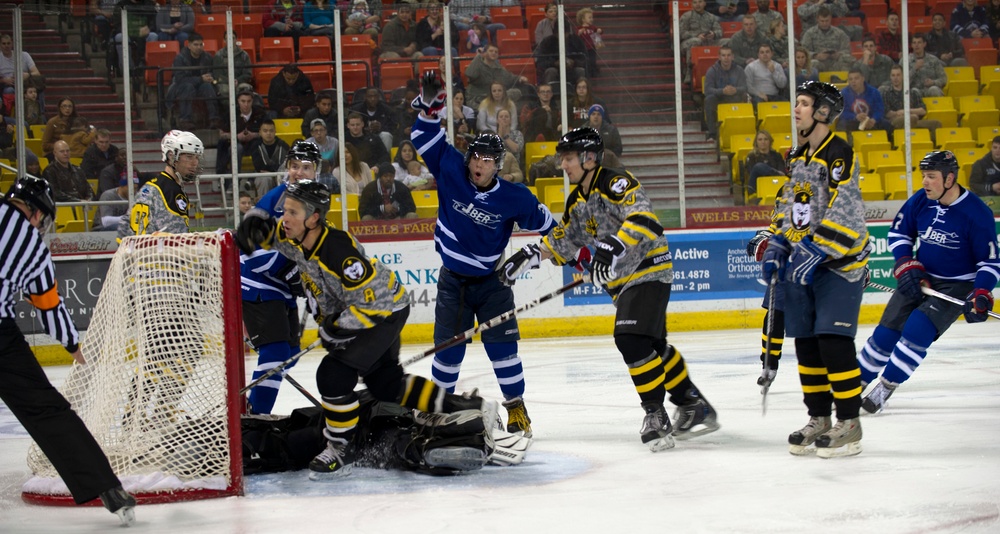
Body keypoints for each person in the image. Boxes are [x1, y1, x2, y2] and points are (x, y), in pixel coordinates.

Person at [235, 179, 501, 479]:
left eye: (293, 213)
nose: (285, 218)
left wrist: (336, 328)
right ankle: (468, 406)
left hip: (383, 311)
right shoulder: (300, 238)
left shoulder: (337, 250)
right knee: (385, 384)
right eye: (284, 211)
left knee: (333, 375)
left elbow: (372, 306)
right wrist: (257, 227)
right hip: (376, 309)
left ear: (313, 218)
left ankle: (340, 448)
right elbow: (278, 239)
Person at [502, 126, 720, 451]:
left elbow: (645, 218)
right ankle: (692, 404)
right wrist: (532, 254)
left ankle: (656, 414)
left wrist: (615, 245)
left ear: (589, 157)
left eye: (569, 158)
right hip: (623, 284)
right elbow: (564, 240)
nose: (563, 164)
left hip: (648, 270)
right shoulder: (578, 200)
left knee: (630, 339)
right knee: (653, 348)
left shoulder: (615, 182)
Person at [410, 72, 557, 437]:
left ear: (499, 164)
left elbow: (554, 228)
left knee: (504, 350)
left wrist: (536, 255)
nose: (479, 164)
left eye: (488, 160)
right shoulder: (451, 169)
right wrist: (430, 108)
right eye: (476, 156)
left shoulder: (515, 197)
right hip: (452, 283)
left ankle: (517, 408)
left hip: (493, 284)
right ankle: (439, 410)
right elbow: (423, 138)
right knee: (447, 353)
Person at [0, 176, 137, 526]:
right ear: (36, 214)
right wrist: (72, 344)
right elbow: (47, 303)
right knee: (47, 411)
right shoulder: (29, 243)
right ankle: (107, 488)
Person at [762, 81, 869, 458]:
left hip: (839, 265)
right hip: (804, 264)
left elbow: (846, 210)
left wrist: (814, 249)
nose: (796, 110)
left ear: (822, 112)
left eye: (803, 104)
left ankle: (850, 422)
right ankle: (820, 417)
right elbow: (792, 206)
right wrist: (779, 241)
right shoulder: (798, 157)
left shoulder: (840, 154)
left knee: (832, 342)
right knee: (805, 343)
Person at [856, 150, 999, 414]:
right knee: (886, 332)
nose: (924, 182)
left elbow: (989, 263)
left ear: (949, 179)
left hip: (956, 286)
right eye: (923, 176)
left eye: (931, 176)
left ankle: (885, 387)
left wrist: (980, 292)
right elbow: (899, 231)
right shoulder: (922, 200)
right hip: (920, 277)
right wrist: (905, 263)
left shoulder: (977, 214)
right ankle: (854, 385)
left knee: (916, 331)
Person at [240, 140, 321, 415]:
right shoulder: (274, 199)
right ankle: (255, 418)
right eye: (294, 166)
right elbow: (246, 246)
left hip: (280, 287)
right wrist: (287, 272)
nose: (299, 172)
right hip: (255, 283)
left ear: (316, 170)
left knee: (288, 354)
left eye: (306, 167)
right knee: (275, 353)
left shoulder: (314, 202)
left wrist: (312, 283)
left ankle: (254, 403)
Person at [118, 130, 203, 237]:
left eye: (197, 157)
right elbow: (177, 240)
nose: (195, 163)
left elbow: (123, 229)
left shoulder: (150, 187)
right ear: (171, 157)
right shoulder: (171, 191)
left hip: (138, 251)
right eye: (189, 157)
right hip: (157, 252)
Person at [165, 33, 222, 130]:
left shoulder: (207, 57)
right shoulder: (180, 58)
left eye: (201, 45)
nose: (199, 47)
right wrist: (200, 79)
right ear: (189, 45)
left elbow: (212, 73)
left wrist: (210, 78)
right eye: (196, 45)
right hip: (180, 87)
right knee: (188, 87)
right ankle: (185, 120)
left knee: (207, 86)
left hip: (200, 86)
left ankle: (214, 119)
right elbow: (180, 79)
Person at [880, 64, 942, 138]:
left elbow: (923, 110)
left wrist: (906, 111)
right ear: (890, 77)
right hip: (895, 122)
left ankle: (932, 146)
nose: (895, 78)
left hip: (914, 121)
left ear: (903, 76)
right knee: (911, 118)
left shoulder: (912, 92)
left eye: (898, 75)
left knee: (936, 123)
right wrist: (898, 114)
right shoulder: (886, 93)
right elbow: (887, 113)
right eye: (893, 75)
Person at [216, 89, 267, 176]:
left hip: (253, 144)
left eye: (249, 101)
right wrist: (236, 136)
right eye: (243, 101)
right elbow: (221, 135)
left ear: (252, 101)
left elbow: (268, 131)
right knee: (236, 148)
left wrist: (254, 135)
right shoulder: (230, 113)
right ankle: (233, 180)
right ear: (238, 101)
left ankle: (255, 177)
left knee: (259, 145)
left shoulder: (260, 113)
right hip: (235, 143)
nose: (246, 104)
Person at [702, 45, 747, 143]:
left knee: (744, 97)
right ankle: (712, 134)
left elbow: (744, 87)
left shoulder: (739, 70)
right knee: (709, 99)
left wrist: (735, 90)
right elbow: (707, 90)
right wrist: (722, 91)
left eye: (728, 55)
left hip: (734, 97)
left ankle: (742, 130)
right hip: (718, 98)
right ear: (719, 57)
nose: (726, 58)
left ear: (733, 57)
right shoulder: (712, 71)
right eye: (723, 55)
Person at [465, 44, 529, 108]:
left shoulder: (499, 68)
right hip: (478, 99)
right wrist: (478, 56)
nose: (494, 53)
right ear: (485, 52)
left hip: (494, 98)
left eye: (496, 52)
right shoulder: (478, 64)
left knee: (515, 92)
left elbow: (510, 78)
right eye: (491, 51)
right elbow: (470, 74)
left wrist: (519, 78)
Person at [838, 68, 891, 137]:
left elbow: (879, 110)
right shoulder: (844, 93)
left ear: (863, 79)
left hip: (871, 121)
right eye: (850, 79)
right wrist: (855, 117)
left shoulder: (874, 92)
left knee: (887, 125)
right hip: (853, 122)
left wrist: (874, 119)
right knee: (842, 124)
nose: (853, 81)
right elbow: (842, 112)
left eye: (856, 78)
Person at [679, 0, 722, 84]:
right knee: (696, 41)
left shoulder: (711, 17)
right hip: (689, 43)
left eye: (700, 2)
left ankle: (725, 71)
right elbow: (681, 33)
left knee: (727, 42)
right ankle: (689, 73)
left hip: (708, 41)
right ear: (692, 4)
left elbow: (719, 31)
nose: (697, 5)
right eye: (695, 2)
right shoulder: (686, 16)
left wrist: (713, 34)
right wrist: (697, 35)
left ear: (705, 3)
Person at [800, 8, 852, 72]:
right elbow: (803, 52)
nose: (824, 23)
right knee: (813, 63)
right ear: (817, 20)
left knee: (848, 59)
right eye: (822, 21)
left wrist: (838, 54)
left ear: (830, 19)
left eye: (827, 21)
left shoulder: (839, 33)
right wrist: (816, 55)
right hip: (819, 62)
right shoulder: (810, 33)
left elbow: (847, 50)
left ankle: (845, 80)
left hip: (835, 62)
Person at [249, 119, 290, 198]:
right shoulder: (255, 146)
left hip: (281, 176)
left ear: (275, 132)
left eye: (271, 131)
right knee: (265, 178)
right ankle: (264, 207)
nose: (268, 133)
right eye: (265, 131)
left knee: (285, 178)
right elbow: (259, 166)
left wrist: (271, 169)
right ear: (260, 132)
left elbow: (286, 165)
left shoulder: (284, 145)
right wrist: (275, 168)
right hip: (263, 177)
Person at [0, 34, 44, 105]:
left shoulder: (24, 55)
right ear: (0, 45)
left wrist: (28, 75)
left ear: (12, 44)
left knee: (38, 90)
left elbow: (37, 73)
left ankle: (41, 114)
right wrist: (4, 80)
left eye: (8, 43)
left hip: (25, 83)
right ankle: (10, 115)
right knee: (9, 90)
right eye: (4, 43)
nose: (6, 46)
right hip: (8, 84)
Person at [350, 87, 397, 154]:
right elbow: (349, 125)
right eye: (370, 96)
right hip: (362, 136)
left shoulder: (387, 110)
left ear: (379, 97)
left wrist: (381, 127)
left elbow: (393, 127)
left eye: (375, 96)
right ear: (365, 97)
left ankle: (385, 159)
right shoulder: (356, 110)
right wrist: (363, 129)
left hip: (380, 136)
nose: (373, 99)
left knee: (386, 135)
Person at [743, 129, 785, 198]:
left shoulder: (776, 155)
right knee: (758, 167)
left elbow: (782, 172)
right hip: (756, 187)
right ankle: (773, 173)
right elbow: (751, 173)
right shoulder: (751, 156)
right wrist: (775, 173)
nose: (763, 142)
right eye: (760, 139)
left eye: (766, 139)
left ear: (770, 141)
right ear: (756, 142)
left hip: (774, 185)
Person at [212, 35, 253, 100]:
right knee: (224, 90)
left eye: (232, 38)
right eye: (227, 38)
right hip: (224, 83)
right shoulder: (218, 55)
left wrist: (237, 80)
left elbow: (248, 74)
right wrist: (229, 81)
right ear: (224, 40)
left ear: (236, 39)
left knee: (245, 88)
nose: (230, 40)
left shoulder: (244, 55)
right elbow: (217, 74)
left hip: (240, 82)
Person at [908, 34, 947, 98]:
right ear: (911, 45)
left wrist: (933, 82)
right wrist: (914, 69)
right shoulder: (906, 61)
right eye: (914, 43)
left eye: (919, 42)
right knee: (914, 92)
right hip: (915, 90)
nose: (916, 45)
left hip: (930, 89)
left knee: (934, 89)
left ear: (924, 44)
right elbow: (901, 81)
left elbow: (943, 79)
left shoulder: (933, 60)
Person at [576, 7, 604, 76]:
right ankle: (587, 72)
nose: (591, 19)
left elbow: (599, 31)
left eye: (592, 17)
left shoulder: (593, 27)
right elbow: (576, 36)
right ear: (583, 19)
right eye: (589, 17)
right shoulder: (579, 28)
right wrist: (579, 33)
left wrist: (600, 31)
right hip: (583, 49)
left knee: (592, 60)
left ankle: (593, 71)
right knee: (585, 61)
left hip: (592, 48)